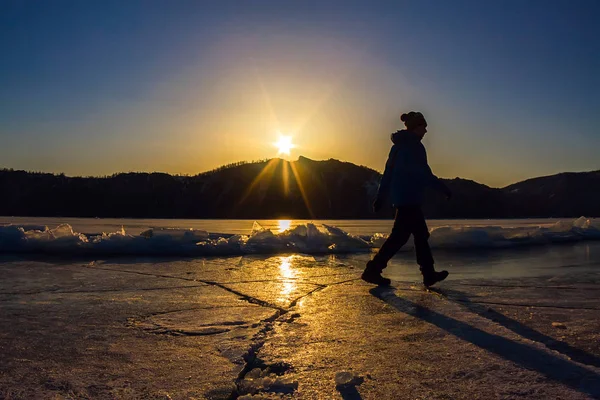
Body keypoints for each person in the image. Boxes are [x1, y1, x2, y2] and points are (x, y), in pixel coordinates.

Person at [362, 111, 452, 287]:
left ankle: (428, 274)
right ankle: (373, 270)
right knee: (402, 237)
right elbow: (424, 174)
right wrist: (444, 189)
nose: (426, 131)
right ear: (416, 127)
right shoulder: (415, 147)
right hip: (410, 199)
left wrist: (381, 196)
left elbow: (387, 174)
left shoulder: (397, 147)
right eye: (423, 127)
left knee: (418, 235)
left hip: (402, 198)